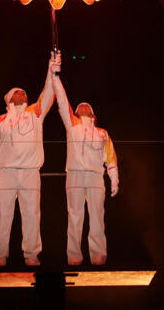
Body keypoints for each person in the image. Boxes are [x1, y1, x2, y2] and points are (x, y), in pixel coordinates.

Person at [0, 51, 59, 266]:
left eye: (24, 92)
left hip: (30, 172)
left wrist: (51, 69)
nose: (22, 93)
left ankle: (31, 255)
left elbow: (48, 92)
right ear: (9, 98)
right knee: (3, 214)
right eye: (17, 92)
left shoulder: (35, 114)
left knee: (32, 214)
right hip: (6, 172)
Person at [51, 58, 119, 266]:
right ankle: (74, 257)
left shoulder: (102, 133)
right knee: (75, 216)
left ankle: (98, 257)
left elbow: (111, 157)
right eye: (79, 106)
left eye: (86, 106)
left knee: (97, 216)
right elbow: (62, 101)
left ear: (93, 114)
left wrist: (114, 178)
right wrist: (55, 77)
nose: (82, 106)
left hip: (96, 177)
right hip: (75, 175)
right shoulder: (72, 125)